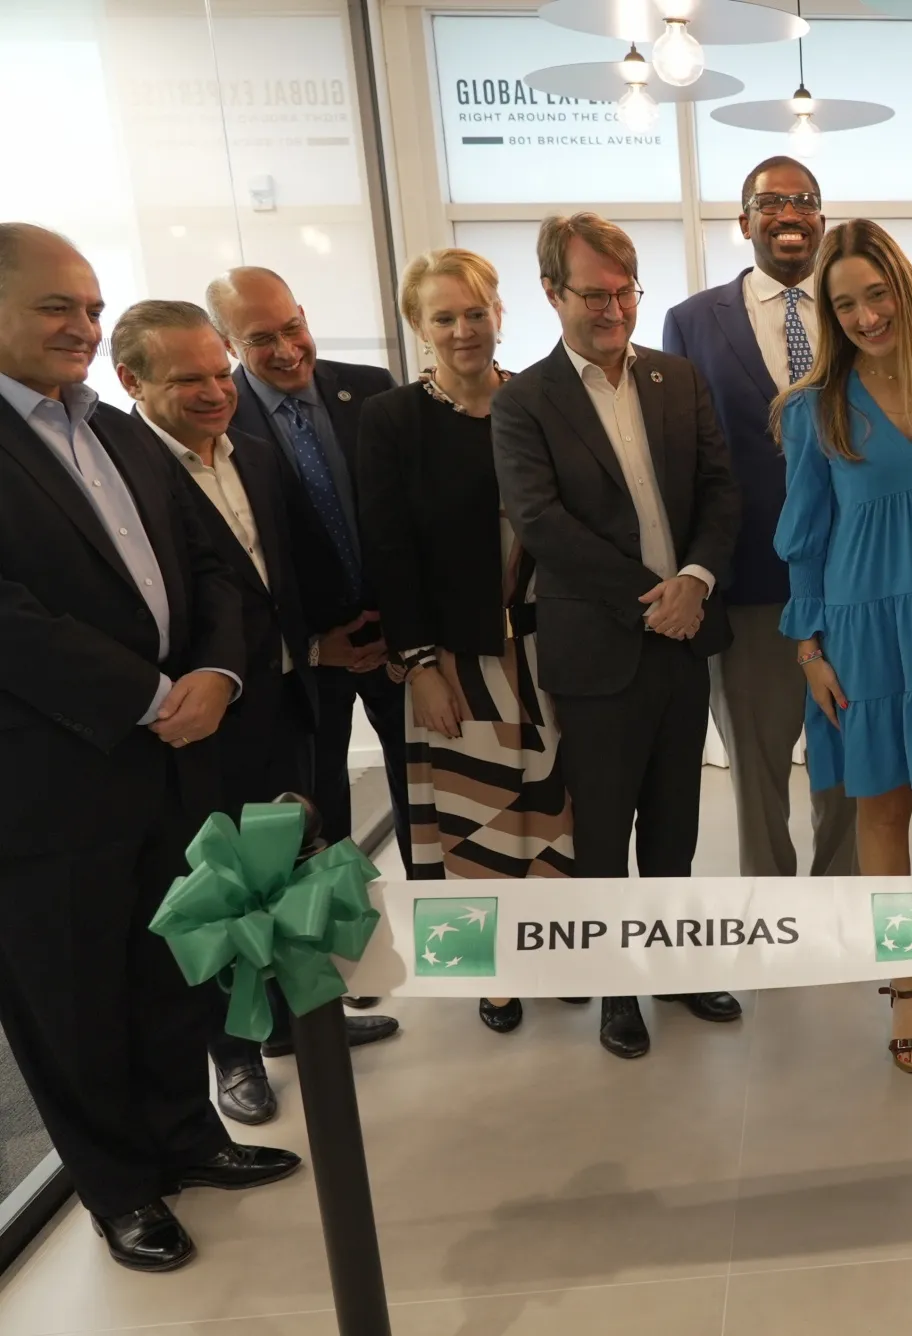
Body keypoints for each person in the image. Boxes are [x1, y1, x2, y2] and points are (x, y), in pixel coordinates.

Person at [0, 224, 299, 1273]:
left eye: (89, 307)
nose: (81, 326)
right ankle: (120, 1188)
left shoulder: (119, 433)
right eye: (55, 308)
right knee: (70, 995)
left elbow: (216, 568)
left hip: (173, 757)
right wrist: (146, 692)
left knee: (168, 964)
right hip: (49, 779)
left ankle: (187, 1137)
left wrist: (215, 674)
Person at [111, 300, 398, 1126]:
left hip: (286, 701)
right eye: (187, 379)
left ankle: (300, 1022)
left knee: (295, 865)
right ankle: (232, 1055)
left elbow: (283, 583)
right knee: (220, 886)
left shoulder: (259, 454)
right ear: (131, 382)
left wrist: (318, 649)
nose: (213, 392)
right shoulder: (129, 473)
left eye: (214, 373)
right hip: (197, 722)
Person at [493, 213, 743, 1059]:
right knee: (601, 834)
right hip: (600, 648)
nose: (612, 309)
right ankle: (614, 987)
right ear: (551, 294)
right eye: (592, 293)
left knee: (674, 826)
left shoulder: (678, 379)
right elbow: (543, 523)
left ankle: (672, 964)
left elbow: (720, 490)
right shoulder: (524, 401)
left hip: (686, 637)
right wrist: (652, 598)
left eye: (624, 291)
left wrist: (696, 582)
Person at [773, 220, 912, 1073]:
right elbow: (804, 537)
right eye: (845, 304)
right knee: (880, 808)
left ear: (903, 286)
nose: (867, 316)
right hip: (864, 627)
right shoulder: (814, 405)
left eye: (877, 294)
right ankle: (904, 979)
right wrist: (809, 650)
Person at [358, 248, 576, 1036]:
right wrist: (417, 664)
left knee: (551, 811)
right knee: (474, 823)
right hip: (456, 658)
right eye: (444, 317)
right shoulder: (391, 421)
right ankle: (493, 971)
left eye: (476, 312)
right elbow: (388, 551)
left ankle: (554, 953)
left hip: (552, 648)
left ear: (499, 312)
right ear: (419, 327)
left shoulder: (541, 401)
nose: (464, 330)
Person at [662, 157, 858, 884]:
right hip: (747, 586)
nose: (789, 213)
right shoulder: (689, 323)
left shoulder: (855, 310)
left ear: (821, 219)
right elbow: (684, 462)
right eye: (769, 202)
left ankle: (845, 897)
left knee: (847, 758)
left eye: (804, 199)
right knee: (757, 765)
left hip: (850, 581)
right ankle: (770, 910)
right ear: (742, 221)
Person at [209, 267, 406, 864]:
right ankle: (339, 935)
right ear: (228, 344)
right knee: (318, 816)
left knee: (424, 797)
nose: (287, 350)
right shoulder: (221, 423)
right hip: (305, 659)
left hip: (397, 639)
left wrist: (407, 622)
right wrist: (316, 645)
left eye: (293, 327)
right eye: (261, 339)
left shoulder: (372, 389)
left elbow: (410, 514)